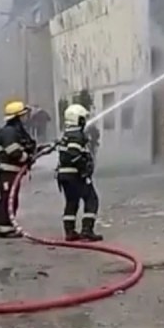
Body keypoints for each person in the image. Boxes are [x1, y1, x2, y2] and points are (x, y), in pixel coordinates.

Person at [0, 100, 37, 239]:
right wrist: (26, 158)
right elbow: (14, 152)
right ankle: (2, 229)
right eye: (23, 115)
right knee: (7, 199)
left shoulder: (15, 131)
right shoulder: (9, 132)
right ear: (17, 117)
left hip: (11, 171)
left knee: (10, 198)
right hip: (6, 171)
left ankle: (3, 227)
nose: (26, 118)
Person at [57, 103, 102, 242]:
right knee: (92, 199)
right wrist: (84, 169)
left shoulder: (67, 134)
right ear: (78, 119)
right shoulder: (76, 135)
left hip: (64, 175)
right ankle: (87, 230)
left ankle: (69, 231)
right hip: (75, 175)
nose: (85, 121)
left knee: (72, 202)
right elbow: (74, 154)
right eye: (83, 118)